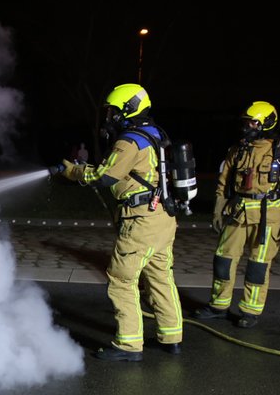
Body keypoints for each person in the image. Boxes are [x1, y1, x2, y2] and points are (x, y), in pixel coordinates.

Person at [51, 83, 184, 361]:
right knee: (160, 277)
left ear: (128, 109)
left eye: (113, 111)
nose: (110, 117)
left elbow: (104, 177)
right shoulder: (156, 135)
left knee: (122, 278)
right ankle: (171, 336)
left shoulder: (130, 141)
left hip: (141, 221)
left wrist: (73, 171)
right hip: (162, 217)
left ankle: (128, 345)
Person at [193, 101, 280, 328]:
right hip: (238, 212)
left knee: (258, 265)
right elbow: (223, 183)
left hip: (268, 217)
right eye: (246, 122)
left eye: (253, 122)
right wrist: (217, 210)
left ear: (267, 123)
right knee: (223, 260)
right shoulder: (237, 149)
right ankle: (218, 305)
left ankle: (250, 311)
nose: (247, 127)